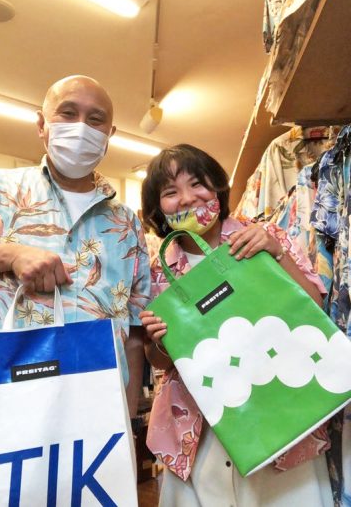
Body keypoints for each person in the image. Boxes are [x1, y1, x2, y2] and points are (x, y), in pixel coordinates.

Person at [140, 144, 333, 507]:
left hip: (282, 409)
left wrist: (276, 252)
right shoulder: (158, 272)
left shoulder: (262, 236)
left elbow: (314, 308)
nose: (187, 198)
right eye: (170, 192)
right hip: (200, 430)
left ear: (217, 186)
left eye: (197, 183)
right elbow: (161, 362)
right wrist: (159, 341)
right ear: (158, 208)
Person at [0, 74, 151, 418]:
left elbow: (133, 334)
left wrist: (129, 421)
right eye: (68, 113)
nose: (81, 127)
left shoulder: (128, 223)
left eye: (96, 119)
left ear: (109, 135)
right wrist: (9, 254)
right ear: (42, 125)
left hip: (93, 409)